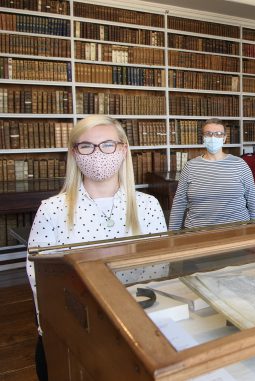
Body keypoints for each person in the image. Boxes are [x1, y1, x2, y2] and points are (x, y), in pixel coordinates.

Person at [27, 115, 167, 381]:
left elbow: (158, 268)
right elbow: (41, 281)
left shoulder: (147, 205)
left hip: (137, 326)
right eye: (87, 146)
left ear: (123, 149)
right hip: (78, 331)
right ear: (74, 152)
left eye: (107, 145)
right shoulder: (52, 209)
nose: (97, 153)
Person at [169, 118, 255, 229]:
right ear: (203, 138)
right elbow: (179, 202)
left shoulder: (240, 165)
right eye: (209, 134)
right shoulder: (190, 167)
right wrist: (172, 235)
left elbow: (253, 199)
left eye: (218, 134)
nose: (213, 137)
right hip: (197, 234)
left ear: (224, 138)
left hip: (237, 232)